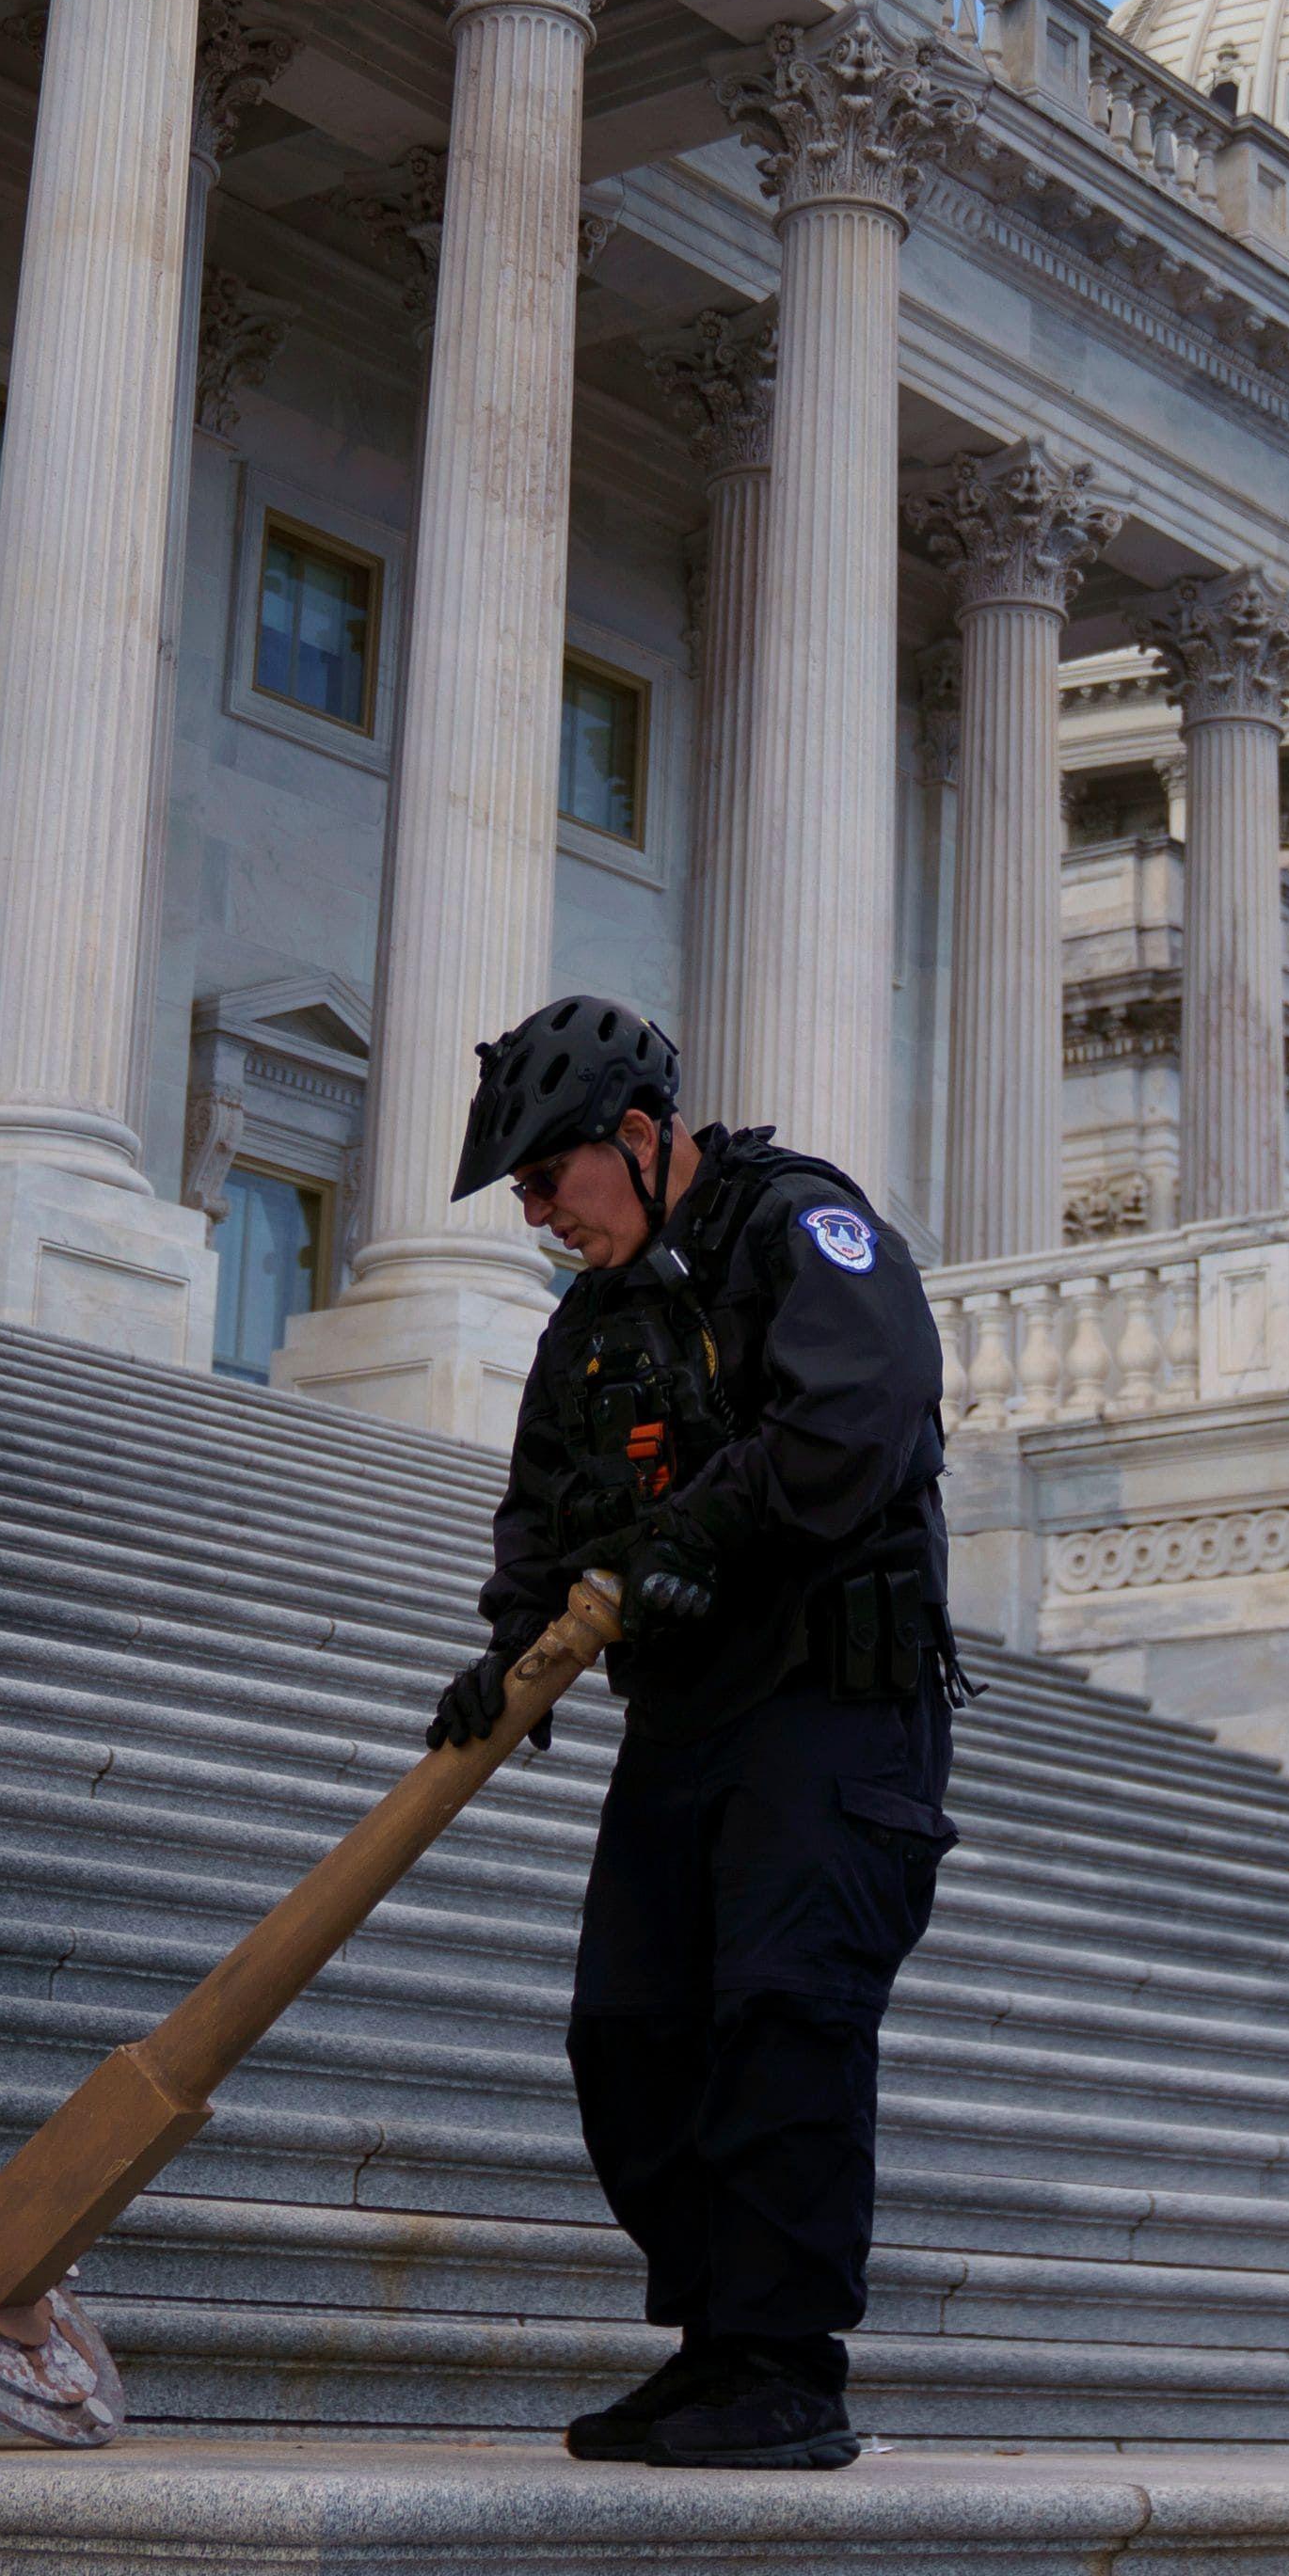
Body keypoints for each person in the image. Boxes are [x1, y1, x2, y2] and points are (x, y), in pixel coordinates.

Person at [424, 994, 959, 2473]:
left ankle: (787, 2363)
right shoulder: (590, 1325)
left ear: (643, 1138)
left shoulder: (800, 1231)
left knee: (783, 2014)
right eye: (523, 1190)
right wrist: (504, 1648)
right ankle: (719, 2337)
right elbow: (543, 1505)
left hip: (834, 1711)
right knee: (630, 2028)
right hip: (687, 1717)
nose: (536, 1211)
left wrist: (702, 1531)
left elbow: (864, 1414)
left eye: (546, 1175)